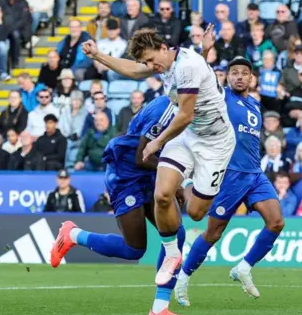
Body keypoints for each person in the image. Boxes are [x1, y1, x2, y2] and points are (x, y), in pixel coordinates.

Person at [80, 26, 236, 287]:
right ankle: (172, 254)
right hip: (188, 137)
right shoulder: (168, 63)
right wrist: (98, 55)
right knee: (162, 194)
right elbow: (132, 70)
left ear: (164, 48)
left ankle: (189, 188)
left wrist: (157, 143)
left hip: (215, 142)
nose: (151, 66)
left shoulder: (187, 65)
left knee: (196, 213)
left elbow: (184, 115)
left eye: (151, 60)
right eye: (146, 62)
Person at [50, 95, 193, 315]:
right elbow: (141, 156)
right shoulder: (165, 110)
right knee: (133, 250)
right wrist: (179, 178)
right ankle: (73, 235)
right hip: (126, 174)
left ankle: (159, 308)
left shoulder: (182, 104)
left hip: (150, 171)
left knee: (177, 233)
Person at [174, 56, 284, 307]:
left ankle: (243, 268)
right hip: (229, 175)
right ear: (227, 76)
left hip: (254, 174)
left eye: (244, 73)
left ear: (251, 78)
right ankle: (183, 277)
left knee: (276, 222)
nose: (239, 77)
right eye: (234, 72)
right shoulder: (221, 96)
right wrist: (207, 52)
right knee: (213, 233)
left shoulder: (256, 105)